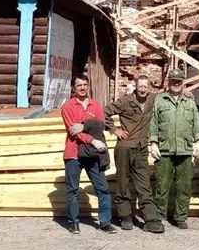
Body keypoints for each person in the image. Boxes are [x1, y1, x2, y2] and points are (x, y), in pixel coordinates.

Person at [60, 75, 118, 235]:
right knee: (72, 190)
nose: (83, 88)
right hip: (74, 153)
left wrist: (84, 126)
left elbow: (100, 126)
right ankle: (73, 222)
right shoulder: (67, 107)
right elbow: (73, 132)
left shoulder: (95, 105)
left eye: (85, 84)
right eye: (79, 85)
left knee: (102, 189)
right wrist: (92, 140)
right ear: (74, 87)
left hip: (93, 155)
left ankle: (105, 222)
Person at [148, 67, 199, 229]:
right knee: (162, 184)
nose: (176, 84)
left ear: (183, 83)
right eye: (173, 81)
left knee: (184, 185)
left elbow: (196, 124)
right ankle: (159, 215)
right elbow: (154, 122)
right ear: (169, 82)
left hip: (185, 150)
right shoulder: (160, 100)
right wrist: (153, 143)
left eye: (179, 81)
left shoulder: (190, 102)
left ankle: (180, 217)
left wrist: (198, 141)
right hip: (164, 149)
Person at [108, 74, 163, 233]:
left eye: (146, 86)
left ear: (149, 88)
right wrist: (114, 129)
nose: (143, 89)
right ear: (136, 87)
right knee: (123, 183)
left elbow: (168, 95)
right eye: (141, 86)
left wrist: (186, 93)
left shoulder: (153, 99)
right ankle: (125, 216)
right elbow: (105, 112)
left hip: (141, 148)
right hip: (125, 147)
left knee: (144, 184)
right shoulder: (126, 101)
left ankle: (150, 219)